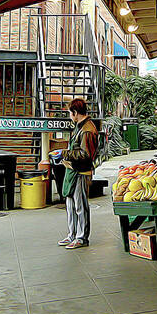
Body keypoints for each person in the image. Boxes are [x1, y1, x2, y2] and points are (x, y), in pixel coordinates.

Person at [57, 98, 98, 249]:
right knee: (71, 204)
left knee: (80, 205)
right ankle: (72, 234)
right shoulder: (80, 127)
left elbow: (86, 154)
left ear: (75, 113)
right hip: (73, 170)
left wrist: (65, 153)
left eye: (70, 113)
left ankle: (81, 237)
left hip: (81, 171)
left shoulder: (87, 129)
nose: (69, 116)